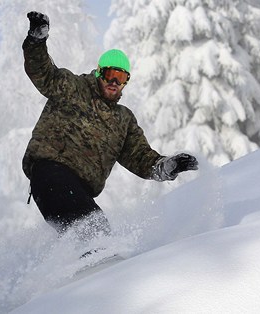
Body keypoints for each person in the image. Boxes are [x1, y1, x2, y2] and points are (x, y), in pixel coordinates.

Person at [22, 11, 198, 241]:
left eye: (121, 78)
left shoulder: (123, 120)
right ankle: (94, 254)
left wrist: (168, 166)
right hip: (49, 171)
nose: (114, 82)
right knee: (91, 228)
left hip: (81, 191)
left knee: (100, 231)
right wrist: (36, 41)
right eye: (110, 74)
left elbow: (141, 157)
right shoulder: (72, 87)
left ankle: (91, 270)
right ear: (99, 72)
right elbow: (43, 73)